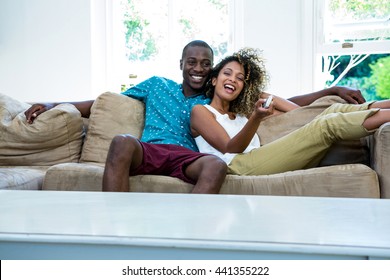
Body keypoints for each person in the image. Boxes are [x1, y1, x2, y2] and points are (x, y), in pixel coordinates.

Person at [24, 40, 367, 192]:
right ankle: (117, 227)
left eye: (206, 64)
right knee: (121, 142)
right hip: (152, 150)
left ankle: (191, 230)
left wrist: (327, 91)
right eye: (192, 62)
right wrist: (55, 104)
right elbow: (100, 102)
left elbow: (277, 101)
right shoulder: (156, 85)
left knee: (217, 165)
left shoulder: (213, 98)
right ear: (181, 64)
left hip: (188, 158)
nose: (198, 69)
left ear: (213, 70)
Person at [190, 47, 390, 176]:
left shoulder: (241, 113)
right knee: (327, 125)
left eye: (240, 78)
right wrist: (256, 118)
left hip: (263, 156)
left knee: (334, 107)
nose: (233, 79)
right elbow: (230, 147)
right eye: (227, 73)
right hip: (238, 166)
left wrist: (331, 90)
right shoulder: (201, 111)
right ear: (214, 79)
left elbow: (298, 110)